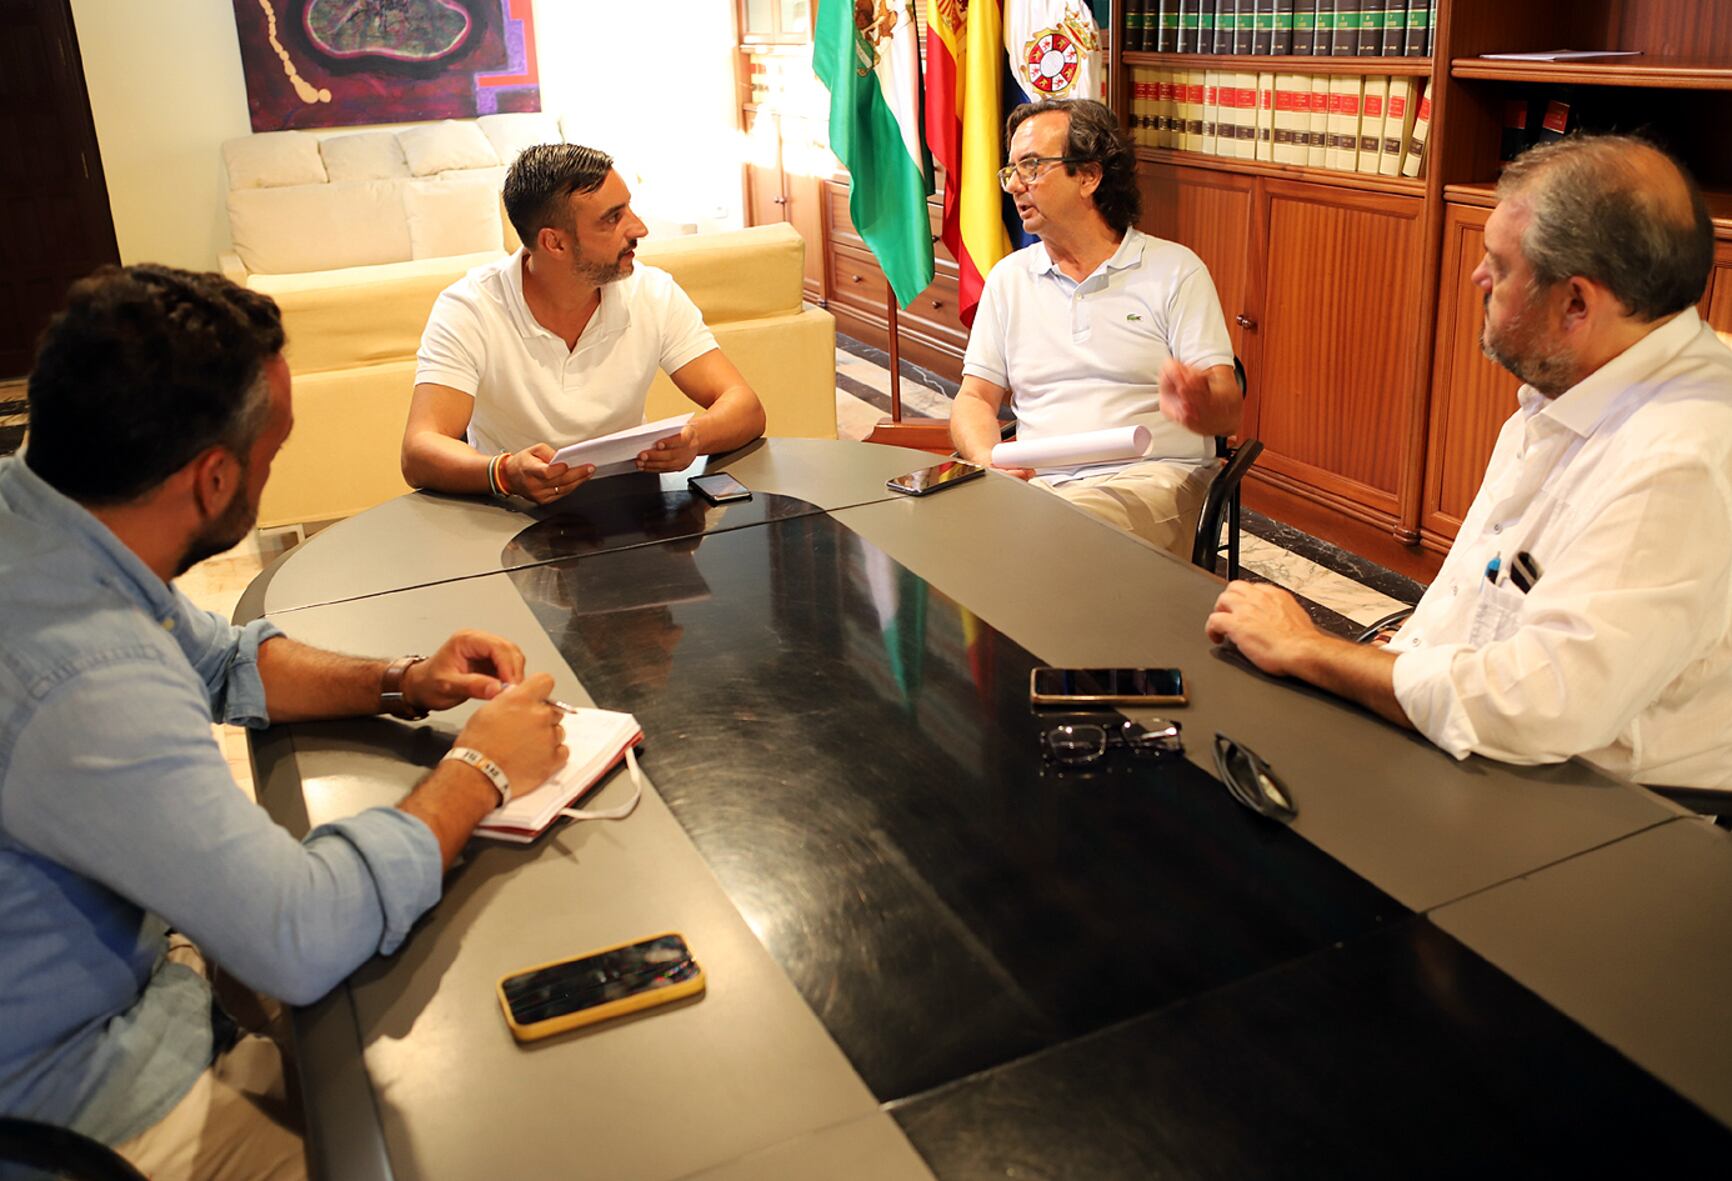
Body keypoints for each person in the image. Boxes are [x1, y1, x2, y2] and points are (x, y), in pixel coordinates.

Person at [0, 265, 572, 1178]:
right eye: (274, 449)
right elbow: (298, 934)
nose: (274, 467)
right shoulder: (88, 675)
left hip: (152, 974)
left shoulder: (35, 518)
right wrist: (479, 770)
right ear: (214, 476)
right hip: (83, 1109)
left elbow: (225, 658)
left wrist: (404, 679)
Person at [1206, 135, 1732, 791]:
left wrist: (1310, 647)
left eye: (1499, 265)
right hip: (1485, 731)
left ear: (1577, 302)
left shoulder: (1680, 457)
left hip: (1592, 801)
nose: (1479, 278)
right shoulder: (1589, 374)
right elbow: (1495, 591)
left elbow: (1542, 704)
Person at [949, 98, 1243, 556]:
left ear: (1088, 176)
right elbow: (973, 399)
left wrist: (1201, 403)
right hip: (1038, 483)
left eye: (1031, 166)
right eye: (1010, 171)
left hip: (1151, 478)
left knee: (1055, 537)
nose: (1014, 186)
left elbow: (1227, 410)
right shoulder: (1008, 279)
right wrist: (989, 460)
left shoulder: (1174, 271)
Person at [401, 143, 767, 505]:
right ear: (554, 243)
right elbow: (419, 450)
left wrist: (693, 438)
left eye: (628, 209)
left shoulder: (652, 292)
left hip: (633, 506)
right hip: (510, 514)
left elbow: (745, 407)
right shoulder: (469, 308)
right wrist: (506, 472)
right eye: (613, 218)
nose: (639, 229)